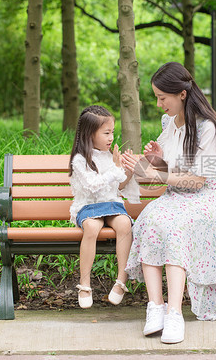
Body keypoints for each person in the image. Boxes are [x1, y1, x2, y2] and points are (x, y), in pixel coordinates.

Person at [126, 62, 216, 344]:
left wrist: (156, 171)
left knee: (176, 226)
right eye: (156, 98)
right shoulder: (169, 123)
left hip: (204, 200)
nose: (159, 105)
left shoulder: (207, 128)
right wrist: (156, 159)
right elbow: (166, 172)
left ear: (181, 93)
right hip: (175, 198)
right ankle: (155, 307)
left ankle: (174, 313)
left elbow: (198, 180)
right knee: (151, 220)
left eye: (162, 98)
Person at [69, 105, 140, 309]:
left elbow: (118, 186)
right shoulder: (80, 159)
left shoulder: (111, 156)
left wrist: (127, 171)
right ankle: (84, 284)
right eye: (106, 133)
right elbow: (92, 187)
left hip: (111, 205)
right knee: (91, 227)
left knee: (125, 224)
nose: (111, 138)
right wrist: (116, 169)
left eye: (112, 133)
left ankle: (121, 281)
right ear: (89, 134)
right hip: (89, 206)